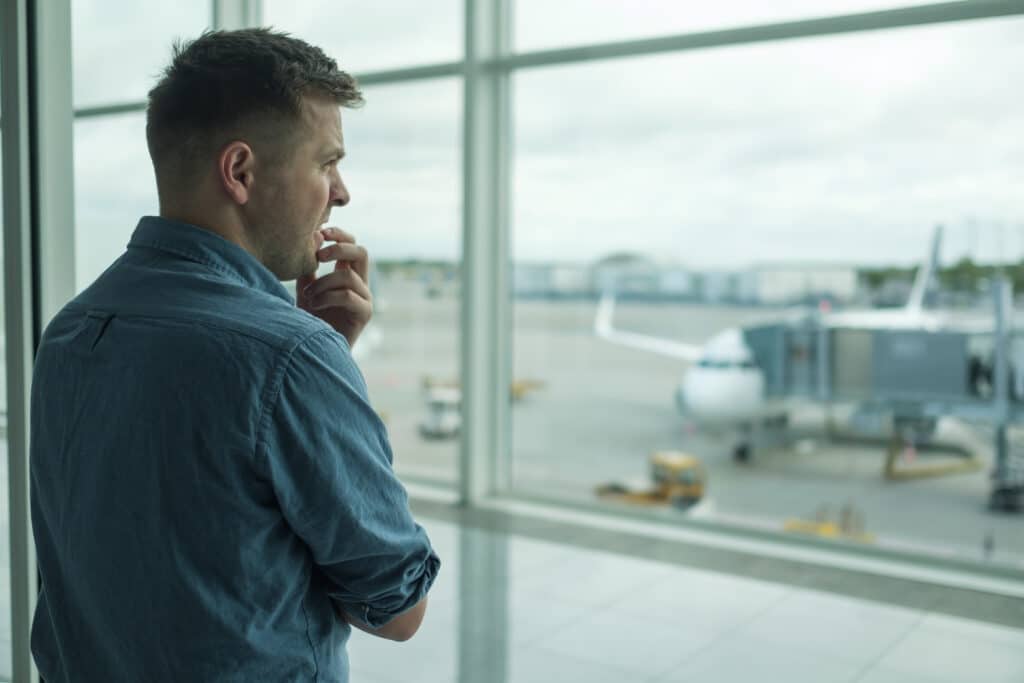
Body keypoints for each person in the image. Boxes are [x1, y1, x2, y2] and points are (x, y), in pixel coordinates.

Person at [29, 28, 439, 682]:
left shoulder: (73, 332)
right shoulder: (292, 357)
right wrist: (321, 359)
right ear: (241, 172)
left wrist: (315, 350)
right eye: (327, 161)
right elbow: (397, 606)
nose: (341, 192)